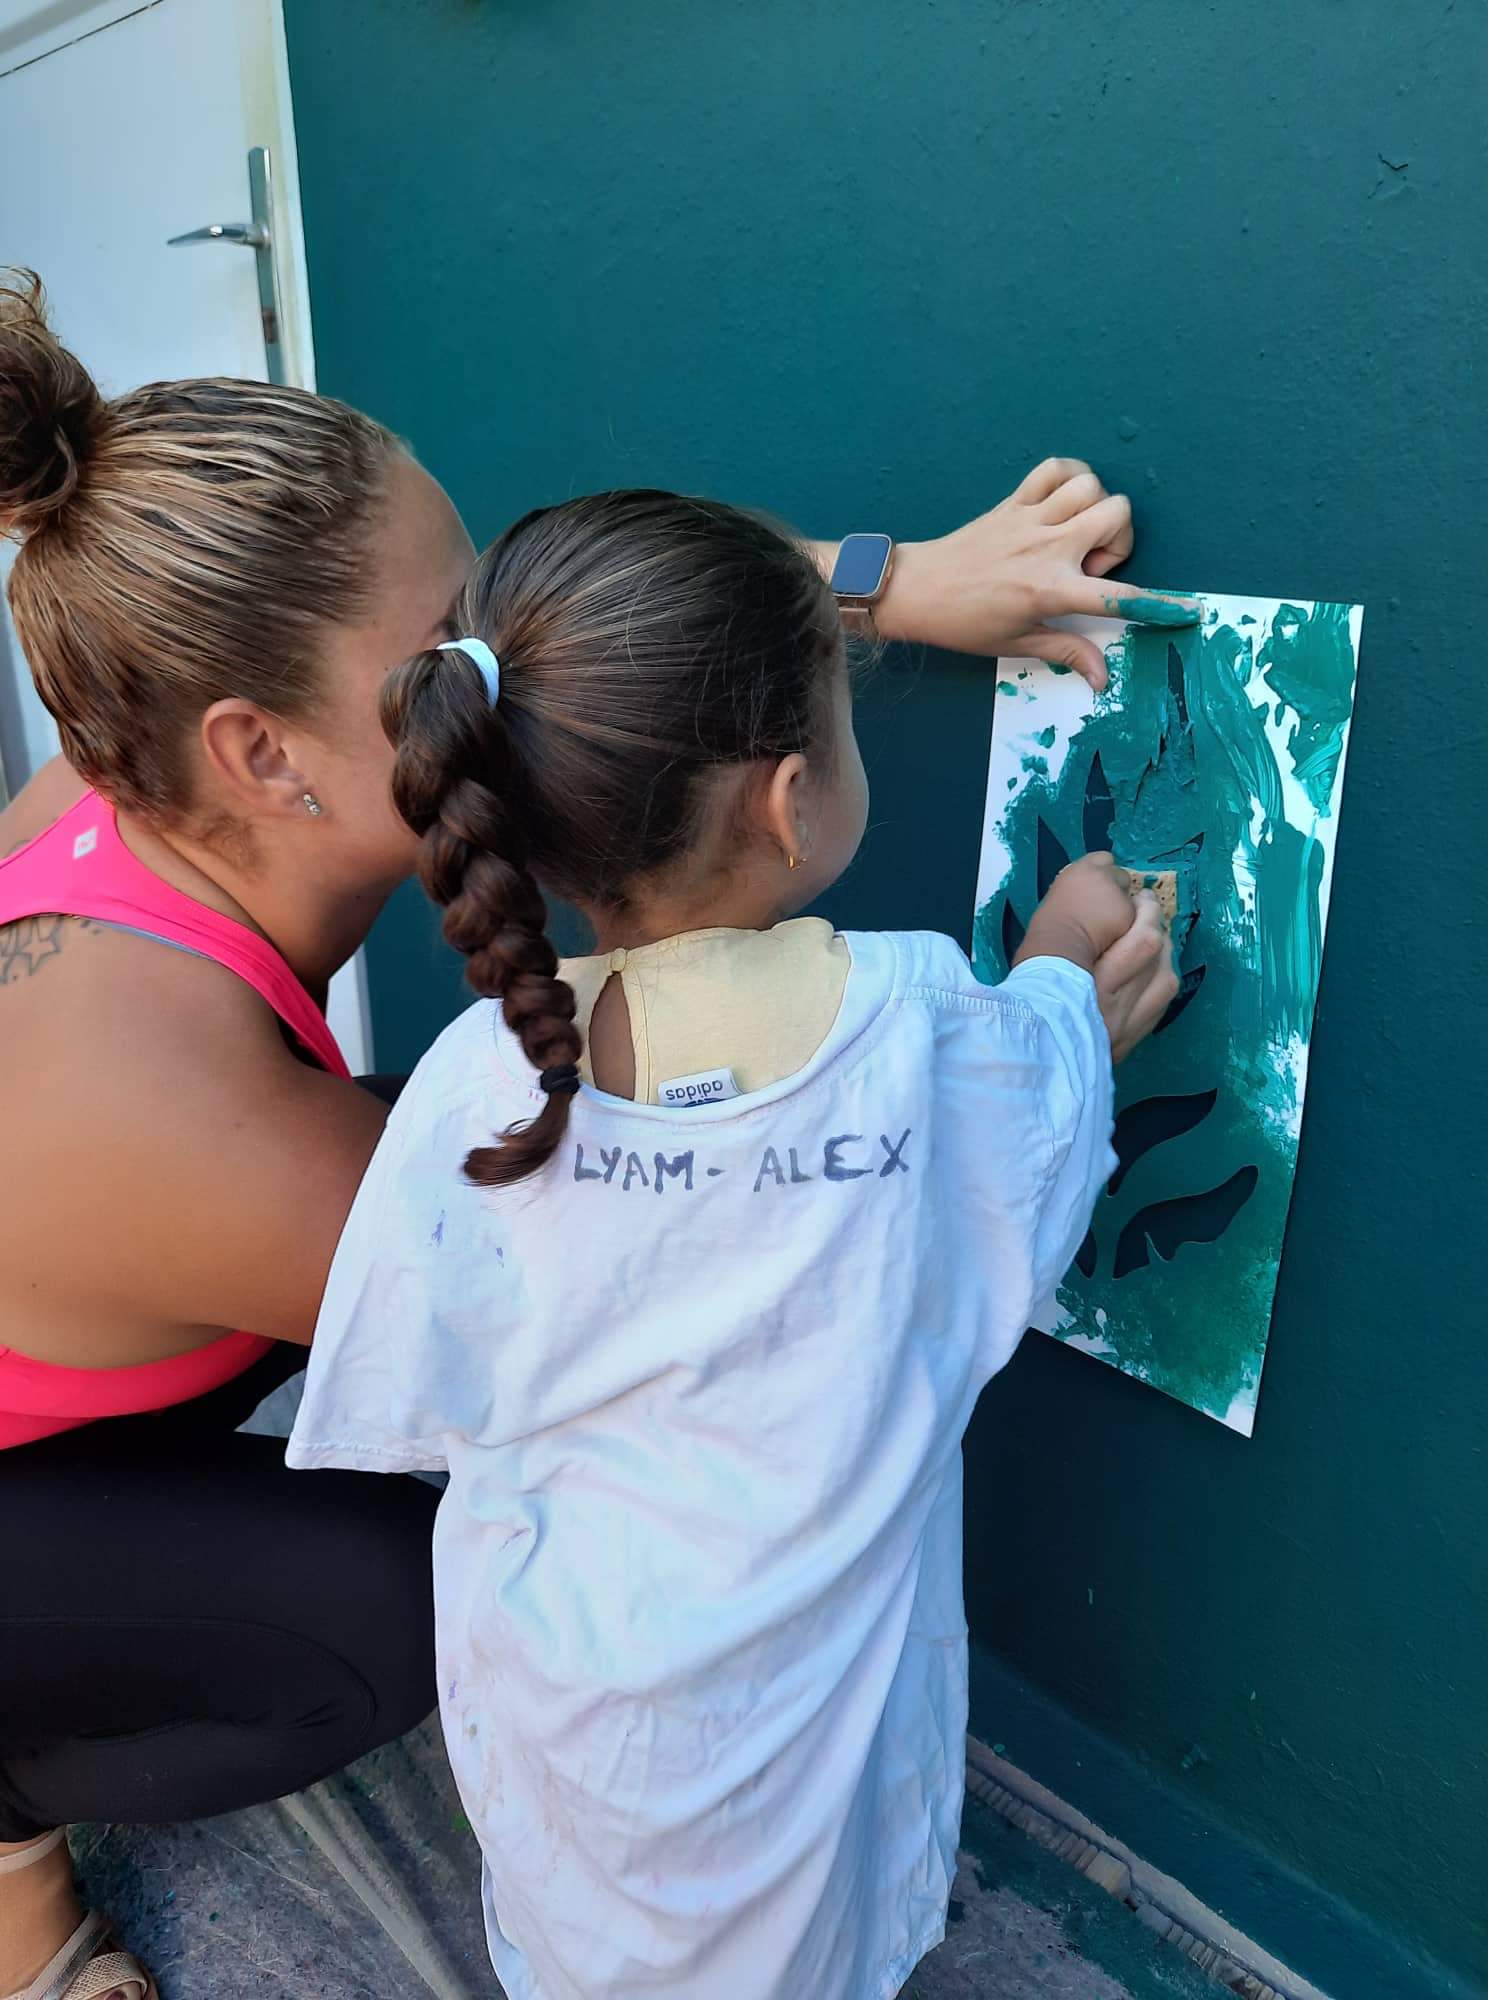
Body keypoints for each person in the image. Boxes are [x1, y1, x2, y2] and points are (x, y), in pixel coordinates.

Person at [0, 268, 1186, 2000]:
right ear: (262, 752)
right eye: (448, 643)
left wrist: (886, 584)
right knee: (406, 1592)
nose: (511, 663)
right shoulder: (192, 1129)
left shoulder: (127, 757)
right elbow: (717, 1273)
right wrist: (1045, 1020)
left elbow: (583, 637)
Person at [286, 490, 1179, 2000]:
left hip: (563, 1717)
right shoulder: (929, 1033)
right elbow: (1030, 1134)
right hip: (802, 1760)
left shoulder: (475, 1077)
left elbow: (408, 1382)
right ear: (787, 802)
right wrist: (1066, 957)